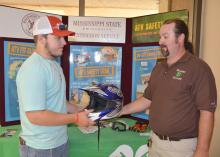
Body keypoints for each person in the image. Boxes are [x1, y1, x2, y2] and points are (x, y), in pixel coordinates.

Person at [120, 19, 217, 157]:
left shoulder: (198, 68)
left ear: (181, 38)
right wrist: (121, 110)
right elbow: (147, 100)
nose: (160, 42)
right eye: (160, 37)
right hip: (155, 143)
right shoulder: (159, 68)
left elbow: (207, 112)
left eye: (166, 36)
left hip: (181, 148)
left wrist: (202, 150)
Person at [16, 15, 95, 157]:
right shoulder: (33, 68)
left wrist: (80, 110)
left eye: (64, 38)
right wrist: (76, 118)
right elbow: (36, 116)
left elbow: (58, 101)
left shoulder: (53, 64)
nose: (64, 42)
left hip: (58, 142)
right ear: (41, 39)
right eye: (58, 38)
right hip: (40, 149)